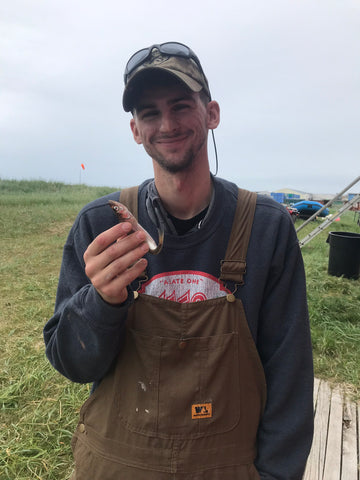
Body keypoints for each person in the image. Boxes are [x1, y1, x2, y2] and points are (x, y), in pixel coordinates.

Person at [44, 42, 314, 480]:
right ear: (135, 129)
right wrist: (102, 302)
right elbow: (71, 364)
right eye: (149, 112)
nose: (166, 124)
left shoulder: (267, 228)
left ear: (212, 113)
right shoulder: (102, 227)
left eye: (181, 105)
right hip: (117, 466)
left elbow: (290, 375)